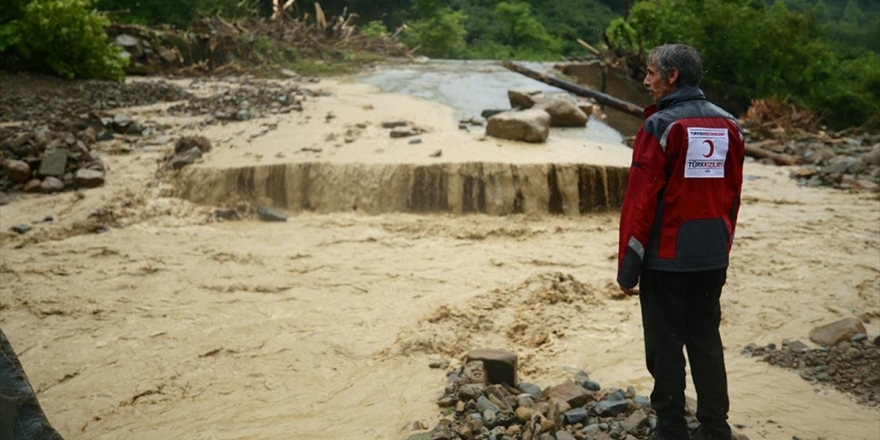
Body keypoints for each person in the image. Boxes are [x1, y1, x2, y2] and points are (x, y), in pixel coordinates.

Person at [617, 44, 744, 440]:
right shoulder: (731, 125)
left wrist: (627, 266)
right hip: (711, 256)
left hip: (667, 258)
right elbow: (732, 195)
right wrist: (722, 246)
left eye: (652, 72)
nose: (646, 80)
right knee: (706, 340)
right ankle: (714, 428)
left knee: (665, 346)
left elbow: (640, 200)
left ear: (672, 77)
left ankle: (671, 428)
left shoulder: (661, 126)